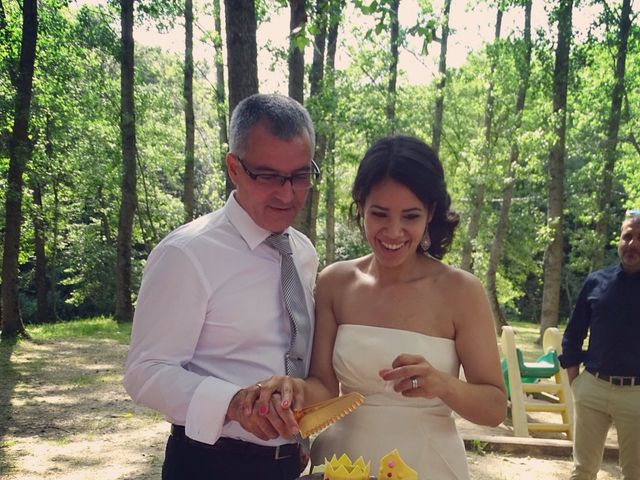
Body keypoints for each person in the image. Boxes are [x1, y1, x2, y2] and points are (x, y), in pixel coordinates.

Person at [250, 135, 507, 479]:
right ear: (361, 206)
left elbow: (494, 408)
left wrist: (443, 384)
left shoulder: (461, 291)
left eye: (411, 216)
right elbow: (324, 386)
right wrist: (292, 389)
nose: (394, 231)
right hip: (343, 462)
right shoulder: (335, 282)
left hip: (428, 464)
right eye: (380, 214)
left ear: (430, 213)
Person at [123, 93, 321, 480]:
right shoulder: (187, 253)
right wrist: (231, 403)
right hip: (211, 463)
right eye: (268, 176)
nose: (287, 193)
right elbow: (144, 372)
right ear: (234, 168)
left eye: (300, 176)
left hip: (289, 465)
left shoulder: (303, 252)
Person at [559, 210, 640, 480]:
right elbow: (573, 334)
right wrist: (577, 384)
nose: (633, 244)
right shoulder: (596, 281)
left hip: (636, 394)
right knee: (582, 471)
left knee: (635, 473)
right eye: (628, 236)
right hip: (592, 388)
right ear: (619, 240)